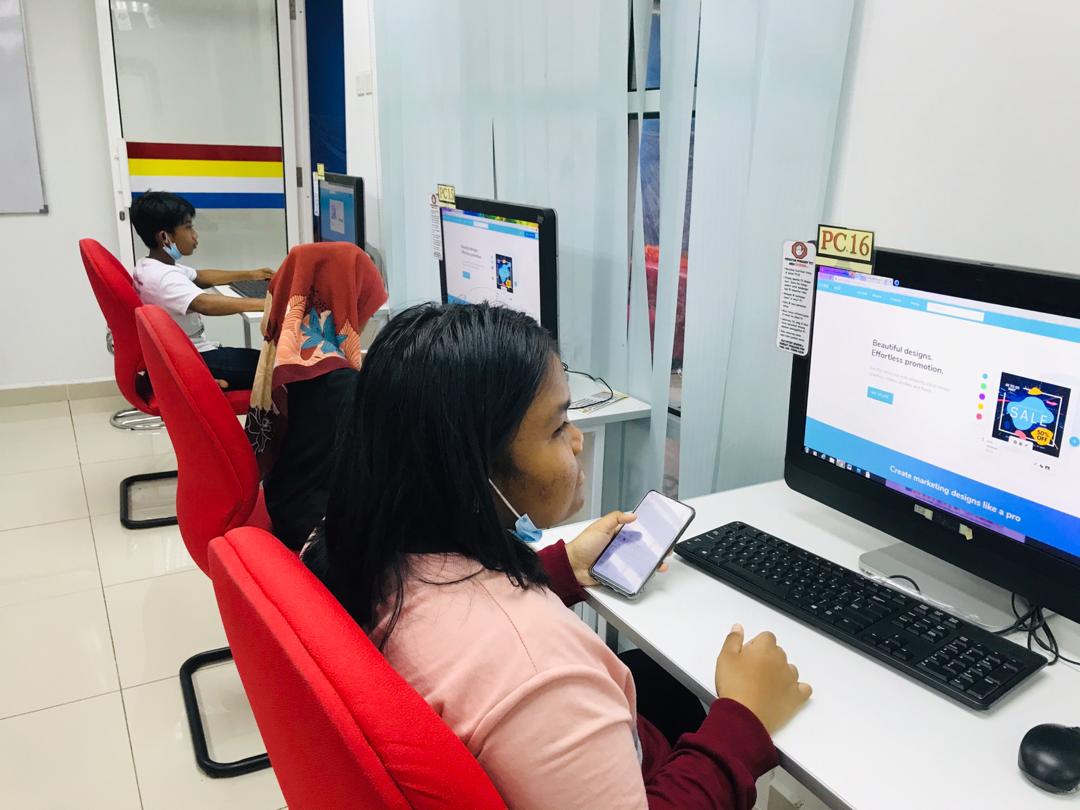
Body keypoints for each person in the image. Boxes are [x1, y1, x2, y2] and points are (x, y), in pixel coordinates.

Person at [303, 302, 811, 809]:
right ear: (473, 471)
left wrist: (562, 569)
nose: (577, 441)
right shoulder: (540, 678)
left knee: (665, 684)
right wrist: (744, 721)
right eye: (557, 426)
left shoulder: (359, 547)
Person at [246, 241, 387, 549]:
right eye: (365, 307)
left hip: (285, 504)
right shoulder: (343, 386)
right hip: (317, 530)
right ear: (347, 302)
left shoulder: (287, 357)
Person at [129, 191, 273, 390]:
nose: (195, 235)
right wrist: (268, 304)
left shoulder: (150, 265)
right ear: (165, 237)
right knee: (282, 366)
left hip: (182, 353)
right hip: (194, 358)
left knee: (266, 358)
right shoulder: (163, 278)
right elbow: (205, 304)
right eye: (188, 227)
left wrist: (250, 274)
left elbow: (200, 276)